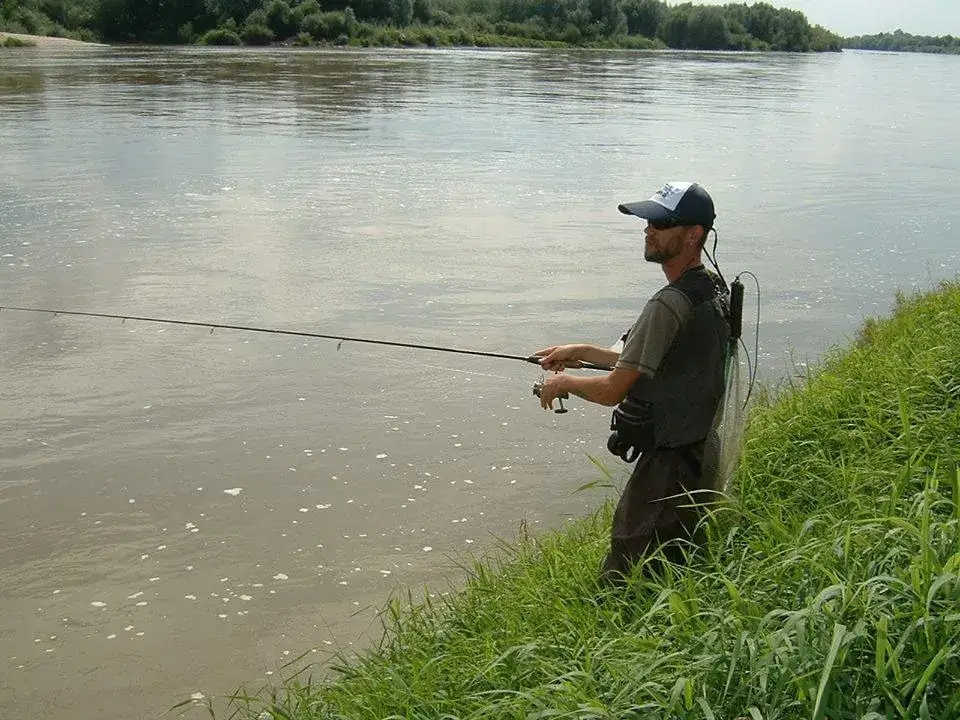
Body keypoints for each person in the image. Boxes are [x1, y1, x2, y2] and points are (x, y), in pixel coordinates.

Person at [535, 181, 731, 583]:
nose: (648, 230)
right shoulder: (710, 287)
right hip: (700, 452)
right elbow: (648, 358)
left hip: (669, 466)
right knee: (677, 565)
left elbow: (612, 390)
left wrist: (564, 383)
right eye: (648, 222)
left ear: (693, 234)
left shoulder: (667, 304)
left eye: (661, 223)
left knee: (626, 575)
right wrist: (581, 351)